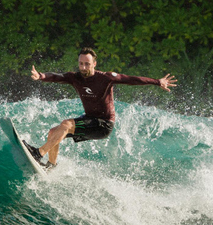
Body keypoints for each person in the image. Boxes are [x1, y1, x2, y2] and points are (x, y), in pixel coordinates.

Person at [24, 47, 177, 168]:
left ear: (94, 64)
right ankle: (51, 165)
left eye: (87, 64)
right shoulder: (75, 77)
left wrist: (157, 82)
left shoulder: (105, 77)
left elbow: (131, 79)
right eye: (81, 63)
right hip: (90, 119)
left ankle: (38, 153)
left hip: (104, 124)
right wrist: (41, 76)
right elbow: (58, 77)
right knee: (53, 132)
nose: (83, 67)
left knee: (66, 124)